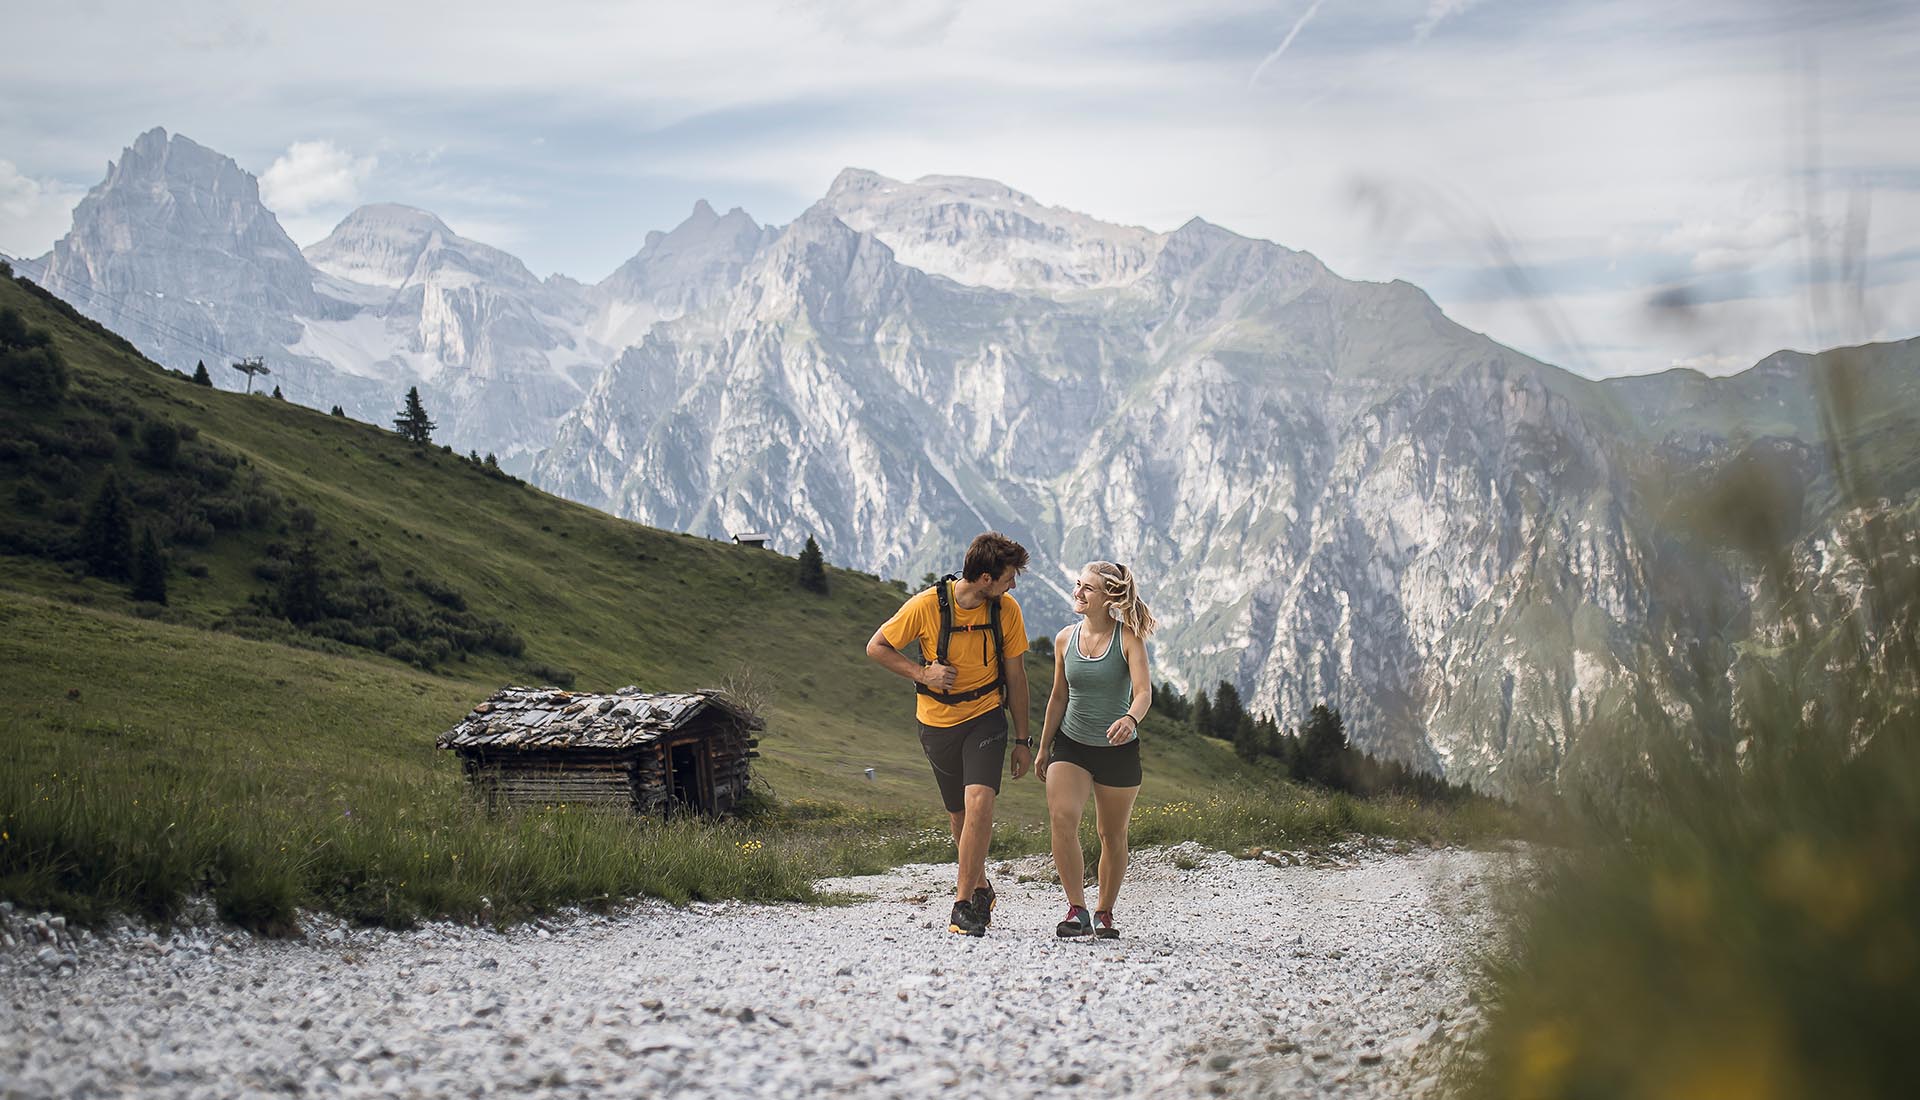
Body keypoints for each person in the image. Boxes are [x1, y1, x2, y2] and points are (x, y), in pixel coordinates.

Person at [866, 532, 1034, 936]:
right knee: (959, 816)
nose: (1014, 584)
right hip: (937, 723)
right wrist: (922, 673)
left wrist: (1023, 741)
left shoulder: (1006, 611)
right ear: (985, 578)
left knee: (979, 802)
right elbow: (877, 646)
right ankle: (980, 886)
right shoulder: (926, 606)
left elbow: (1016, 676)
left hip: (986, 717)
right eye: (1009, 576)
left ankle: (962, 906)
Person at [1037, 561, 1156, 940]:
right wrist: (1042, 747)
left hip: (1117, 750)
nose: (1078, 592)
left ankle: (1105, 911)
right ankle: (1077, 909)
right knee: (1062, 819)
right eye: (1078, 584)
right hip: (1070, 744)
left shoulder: (1128, 639)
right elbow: (1058, 696)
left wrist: (1131, 720)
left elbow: (1143, 693)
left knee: (1111, 834)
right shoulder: (1063, 639)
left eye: (1088, 588)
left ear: (1109, 599)